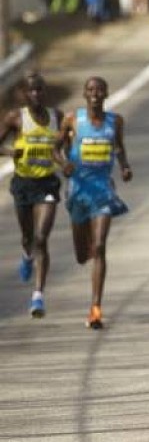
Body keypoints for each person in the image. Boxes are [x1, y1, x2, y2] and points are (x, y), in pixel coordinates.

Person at [58, 77, 132, 328]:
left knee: (99, 246)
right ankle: (87, 253)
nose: (95, 94)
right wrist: (64, 164)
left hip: (103, 192)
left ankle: (96, 308)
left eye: (100, 90)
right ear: (84, 93)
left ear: (106, 94)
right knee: (82, 256)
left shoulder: (115, 121)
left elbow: (119, 148)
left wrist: (124, 167)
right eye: (90, 90)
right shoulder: (72, 119)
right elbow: (55, 148)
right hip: (78, 192)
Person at [0, 73, 63, 317]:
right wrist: (10, 152)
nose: (36, 94)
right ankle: (27, 256)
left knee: (41, 237)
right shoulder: (15, 118)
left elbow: (65, 146)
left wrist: (68, 163)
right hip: (23, 184)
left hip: (47, 183)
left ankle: (38, 296)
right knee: (28, 237)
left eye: (39, 89)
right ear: (24, 94)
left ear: (45, 92)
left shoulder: (57, 117)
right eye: (31, 90)